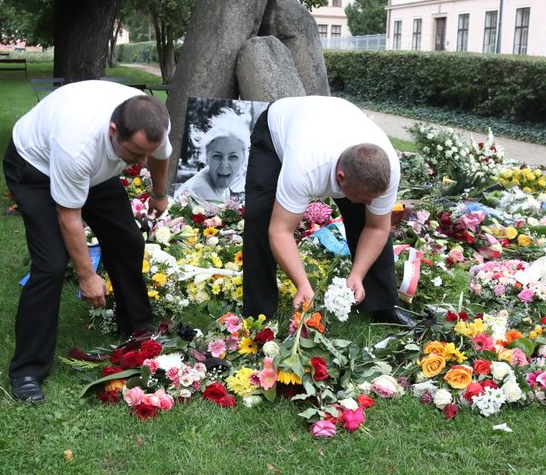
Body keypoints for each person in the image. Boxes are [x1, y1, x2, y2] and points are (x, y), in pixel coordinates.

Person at [2, 80, 172, 403]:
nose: (140, 163)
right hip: (36, 167)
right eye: (135, 154)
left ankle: (137, 330)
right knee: (51, 264)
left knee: (127, 241)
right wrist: (87, 276)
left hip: (94, 170)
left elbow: (160, 157)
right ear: (113, 130)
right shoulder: (76, 145)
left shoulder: (152, 123)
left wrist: (159, 194)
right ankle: (27, 371)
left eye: (146, 154)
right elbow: (69, 217)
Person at [242, 95, 415, 327]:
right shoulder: (305, 168)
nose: (368, 202)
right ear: (341, 179)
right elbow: (281, 231)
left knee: (365, 219)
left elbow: (377, 227)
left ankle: (382, 305)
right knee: (260, 216)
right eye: (363, 197)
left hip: (334, 121)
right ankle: (259, 312)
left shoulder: (388, 168)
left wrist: (357, 274)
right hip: (278, 129)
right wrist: (302, 283)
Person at [177, 107, 250, 202]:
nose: (224, 164)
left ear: (243, 159)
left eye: (233, 157)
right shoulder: (201, 190)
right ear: (207, 157)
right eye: (217, 156)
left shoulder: (221, 186)